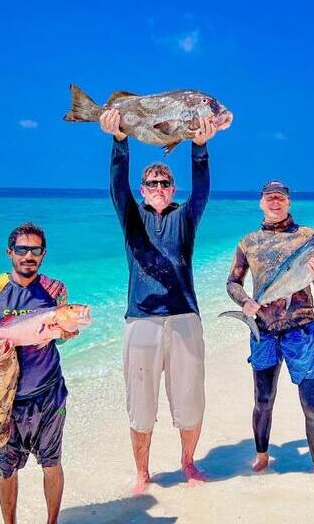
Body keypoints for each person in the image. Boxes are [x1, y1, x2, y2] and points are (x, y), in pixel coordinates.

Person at [100, 109, 223, 494]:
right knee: (141, 402)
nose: (157, 187)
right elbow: (117, 186)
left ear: (172, 188)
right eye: (151, 182)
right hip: (141, 320)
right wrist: (120, 142)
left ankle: (188, 462)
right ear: (143, 188)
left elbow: (202, 191)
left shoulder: (185, 218)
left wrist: (199, 149)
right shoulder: (131, 217)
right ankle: (142, 472)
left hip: (185, 318)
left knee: (189, 399)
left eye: (164, 182)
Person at [226, 180, 314, 498]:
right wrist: (245, 303)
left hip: (301, 331)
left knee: (312, 405)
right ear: (261, 203)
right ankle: (263, 455)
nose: (275, 202)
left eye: (281, 197)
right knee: (263, 402)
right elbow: (233, 282)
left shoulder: (308, 237)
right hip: (263, 332)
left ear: (289, 202)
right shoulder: (248, 242)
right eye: (269, 197)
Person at [0, 222, 86, 524]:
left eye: (35, 250)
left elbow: (60, 336)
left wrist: (66, 332)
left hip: (49, 392)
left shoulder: (56, 289)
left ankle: (52, 522)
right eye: (22, 249)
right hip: (5, 399)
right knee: (6, 468)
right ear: (10, 253)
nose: (28, 255)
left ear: (43, 254)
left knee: (52, 462)